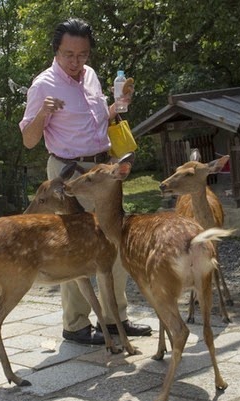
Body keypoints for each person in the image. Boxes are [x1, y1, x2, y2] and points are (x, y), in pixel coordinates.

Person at [19, 18, 152, 344]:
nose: (77, 63)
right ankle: (76, 324)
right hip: (67, 175)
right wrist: (42, 114)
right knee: (75, 248)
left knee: (115, 241)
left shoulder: (91, 76)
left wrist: (120, 105)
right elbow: (28, 140)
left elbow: (99, 121)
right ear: (56, 51)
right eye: (69, 55)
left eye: (82, 55)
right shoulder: (43, 85)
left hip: (101, 171)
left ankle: (114, 320)